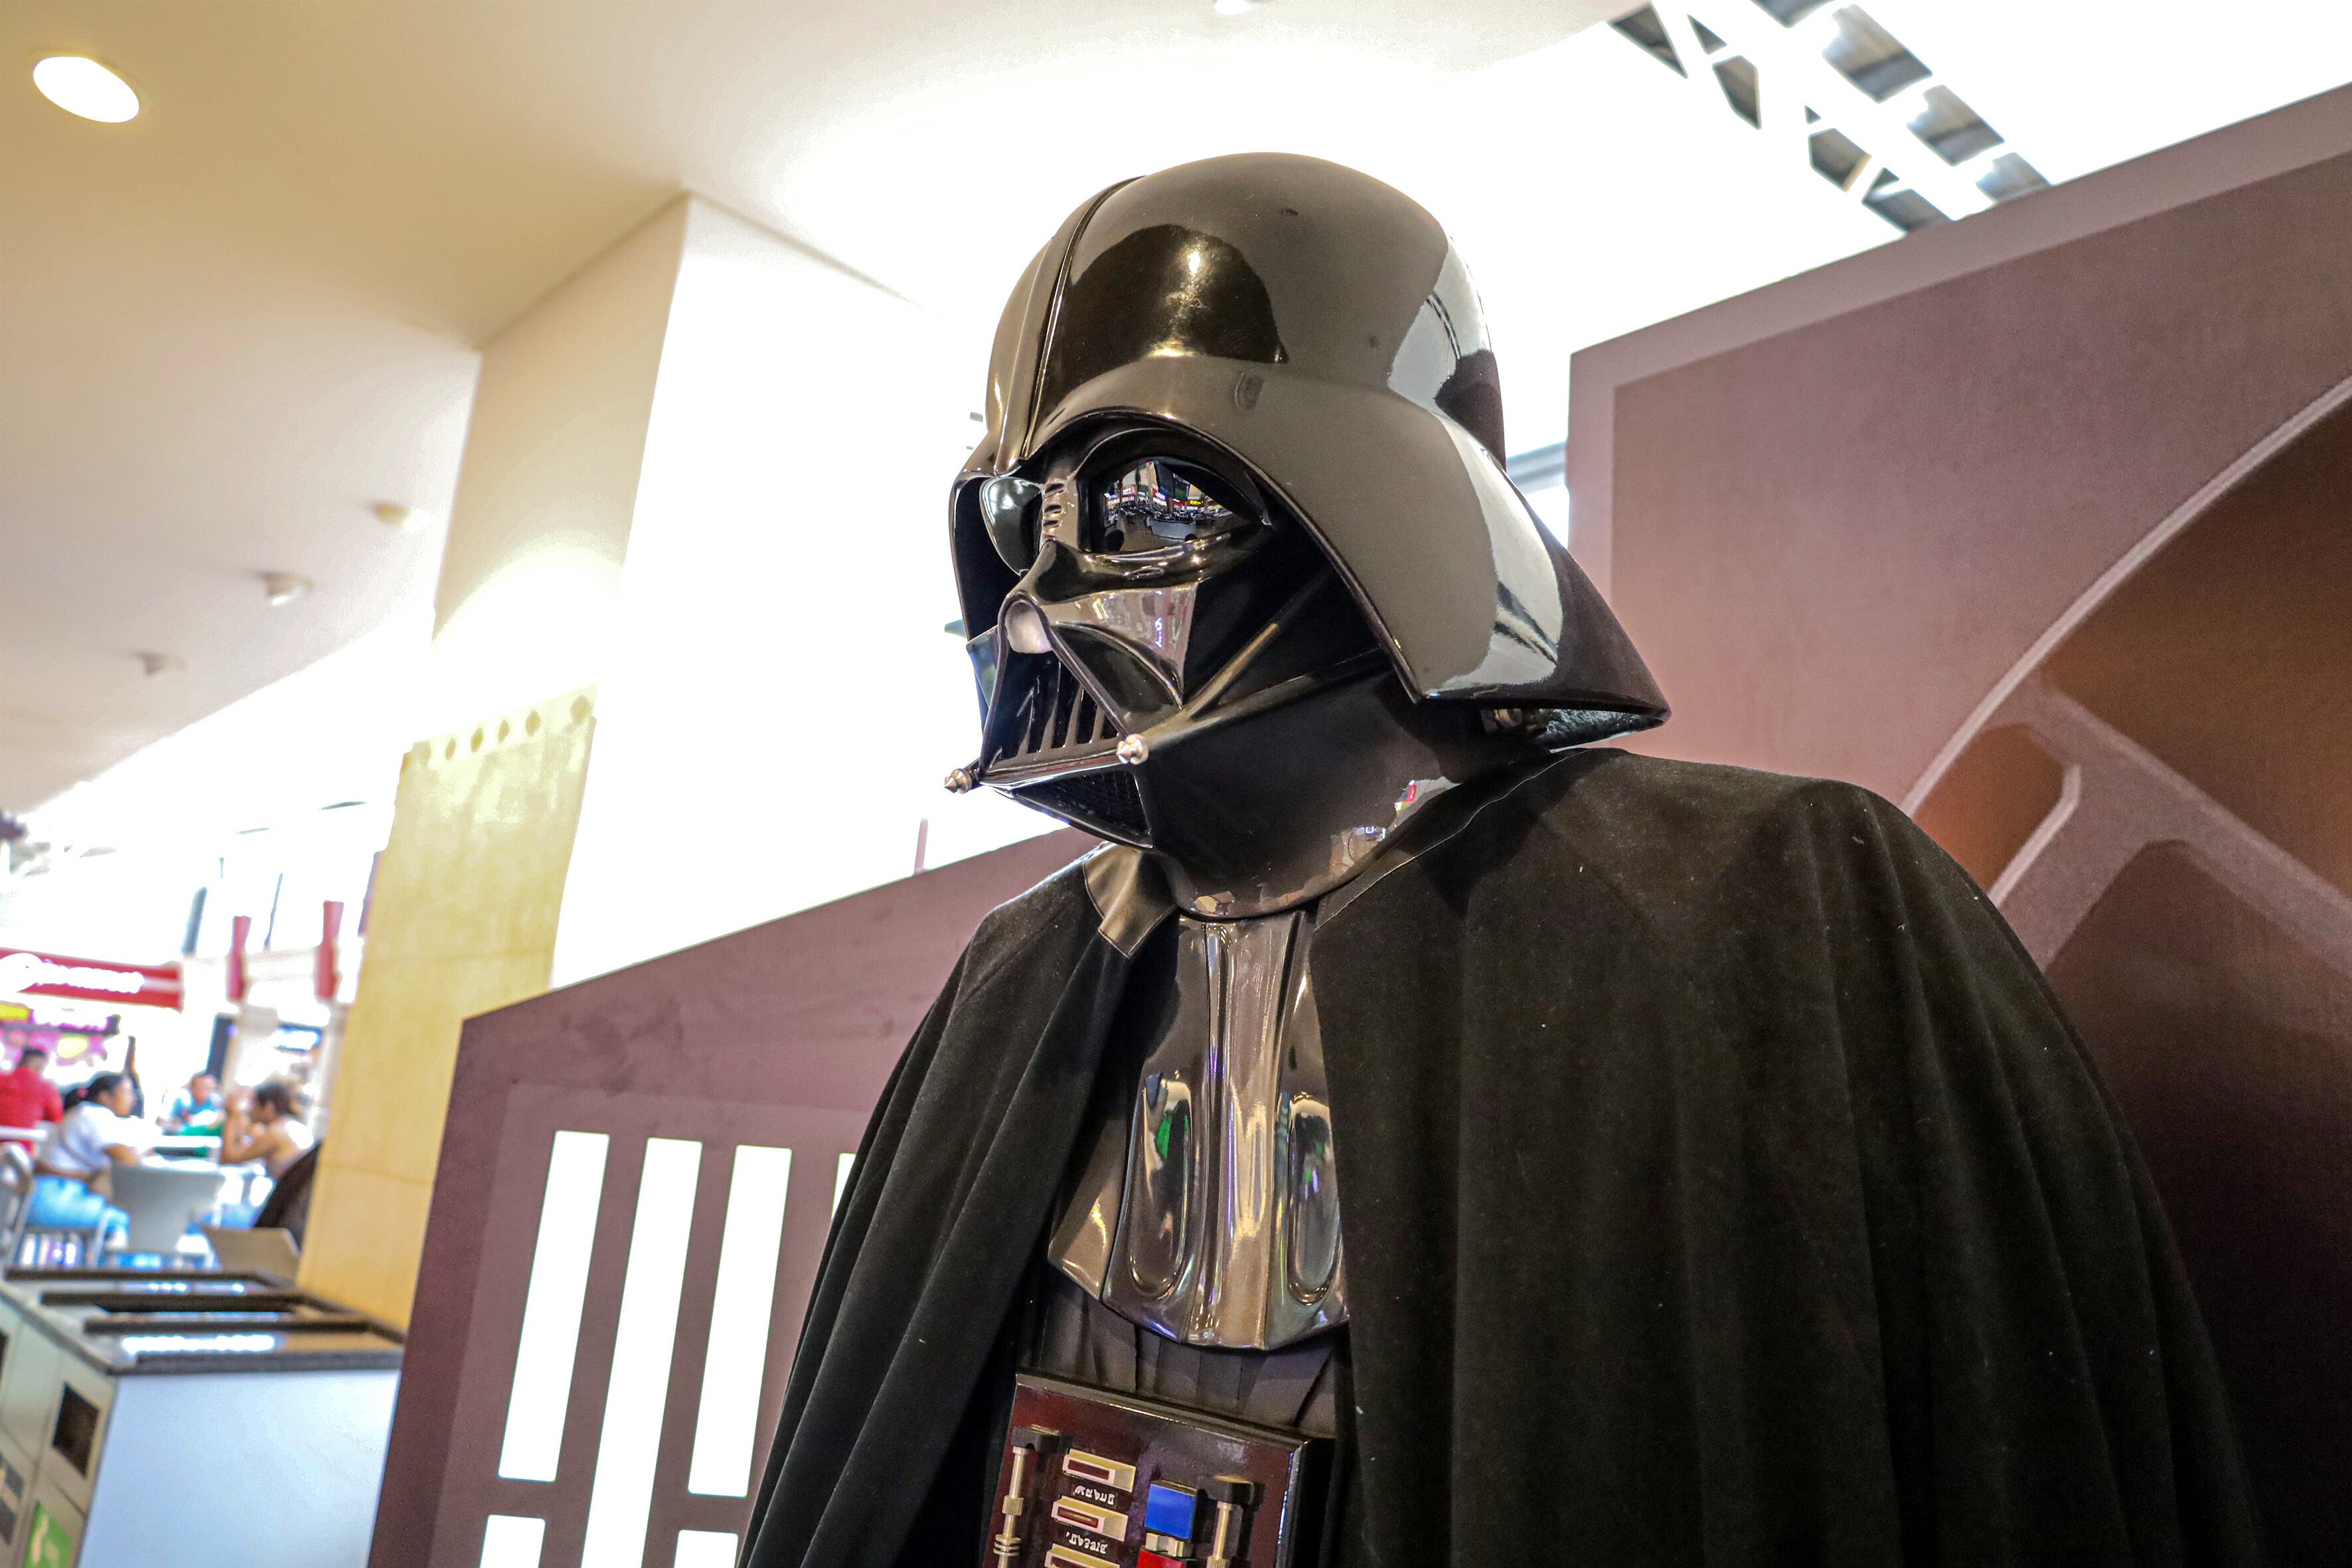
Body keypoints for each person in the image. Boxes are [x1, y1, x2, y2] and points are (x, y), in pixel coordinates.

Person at [743, 155, 2257, 1566]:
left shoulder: (1763, 907)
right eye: (1017, 516)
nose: (1041, 594)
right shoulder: (1024, 979)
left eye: (1142, 494)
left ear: (1374, 492)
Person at [214, 1080, 315, 1180]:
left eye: (254, 1103)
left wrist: (231, 1116)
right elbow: (242, 1149)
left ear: (268, 1107)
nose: (250, 1109)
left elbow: (227, 1160)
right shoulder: (289, 1125)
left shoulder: (275, 1134)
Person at [0, 1047, 64, 1150]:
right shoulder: (46, 1088)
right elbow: (55, 1119)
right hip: (21, 1150)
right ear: (40, 1063)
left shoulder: (2, 1079)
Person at [160, 1072, 225, 1134]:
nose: (203, 1090)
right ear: (191, 1088)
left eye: (206, 1088)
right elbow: (172, 1122)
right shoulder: (182, 1101)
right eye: (199, 1087)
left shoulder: (214, 1104)